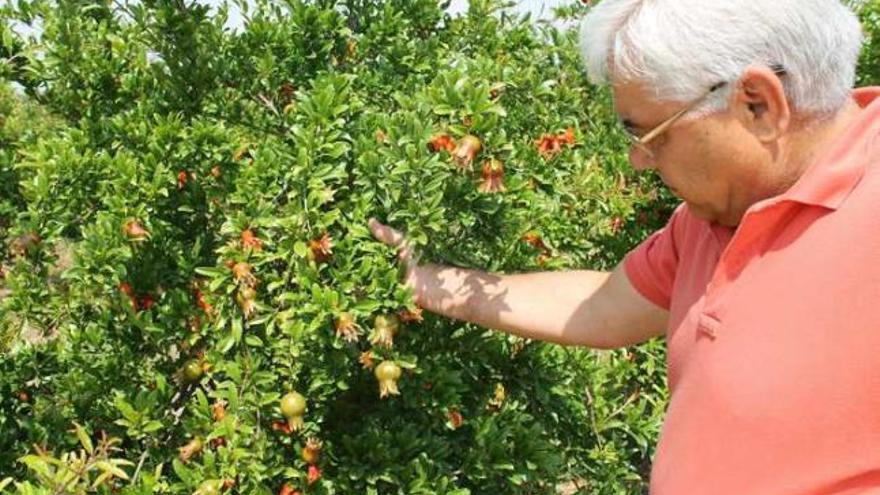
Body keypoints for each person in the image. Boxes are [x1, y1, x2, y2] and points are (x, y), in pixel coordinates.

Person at [370, 0, 880, 493]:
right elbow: (602, 307)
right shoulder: (710, 218)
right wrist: (421, 279)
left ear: (757, 104)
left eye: (651, 134)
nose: (639, 161)